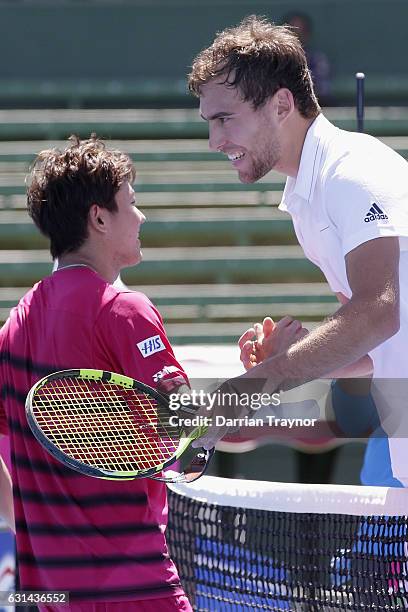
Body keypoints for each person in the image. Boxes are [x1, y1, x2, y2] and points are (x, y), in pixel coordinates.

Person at [188, 15, 408, 486]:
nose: (215, 140)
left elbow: (378, 313)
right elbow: (377, 347)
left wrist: (261, 381)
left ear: (282, 104)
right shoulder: (305, 200)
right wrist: (289, 357)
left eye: (226, 118)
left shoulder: (353, 172)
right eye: (210, 123)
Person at [0, 136, 193, 611]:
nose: (142, 216)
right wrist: (265, 375)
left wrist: (24, 528)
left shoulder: (15, 325)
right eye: (132, 202)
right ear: (99, 218)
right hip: (135, 589)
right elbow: (187, 426)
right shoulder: (125, 311)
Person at [284, 12, 332, 104]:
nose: (295, 38)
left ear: (307, 34)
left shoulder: (317, 60)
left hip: (311, 108)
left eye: (300, 33)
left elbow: (321, 91)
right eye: (291, 32)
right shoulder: (275, 60)